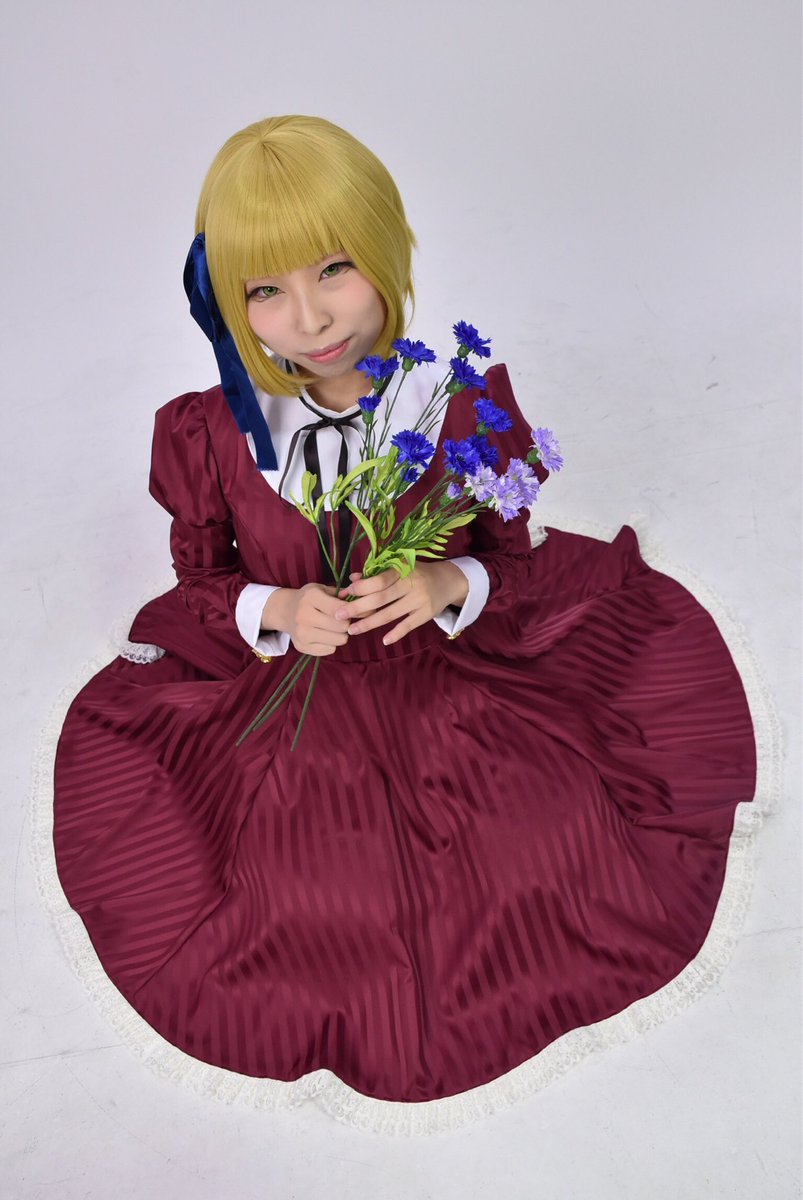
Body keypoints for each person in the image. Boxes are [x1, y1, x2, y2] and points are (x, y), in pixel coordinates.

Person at [51, 115, 759, 1118]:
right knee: (297, 897)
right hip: (292, 706)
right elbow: (197, 585)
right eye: (264, 290)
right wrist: (274, 606)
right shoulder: (210, 434)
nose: (309, 317)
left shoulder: (457, 405)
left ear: (384, 251)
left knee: (547, 845)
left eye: (334, 269)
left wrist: (446, 585)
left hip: (452, 684)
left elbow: (512, 555)